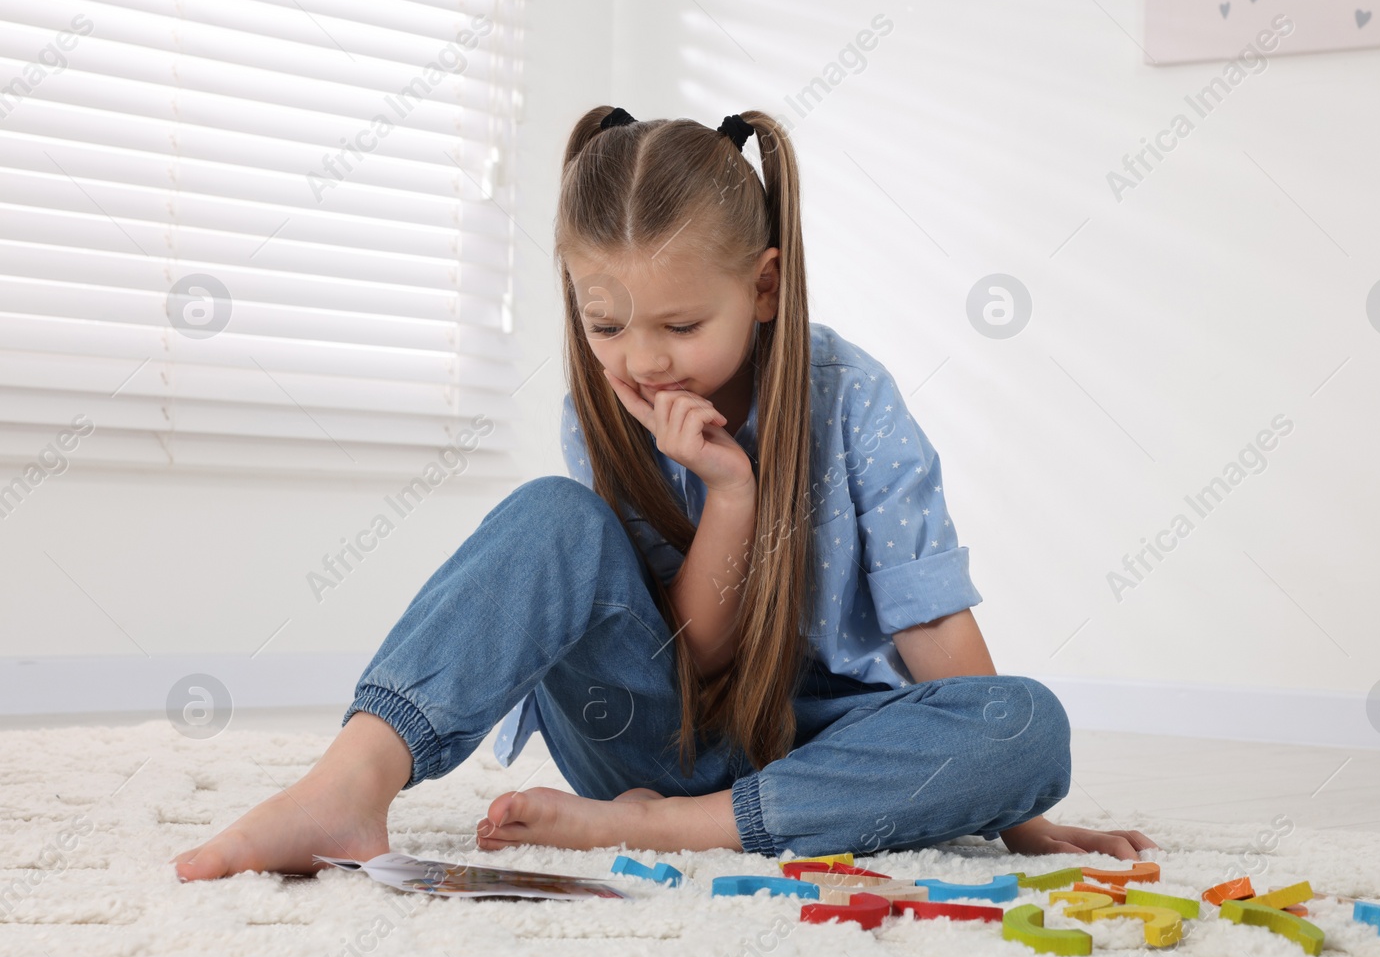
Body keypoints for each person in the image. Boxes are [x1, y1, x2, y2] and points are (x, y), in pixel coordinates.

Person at [171, 107, 1154, 881]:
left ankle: (665, 827)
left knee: (1026, 721)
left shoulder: (852, 397)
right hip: (641, 725)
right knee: (549, 516)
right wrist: (731, 498)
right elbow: (702, 653)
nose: (641, 360)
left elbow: (936, 631)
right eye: (605, 325)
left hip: (813, 748)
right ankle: (350, 780)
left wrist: (1007, 807)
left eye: (681, 324)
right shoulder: (599, 411)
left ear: (764, 287)